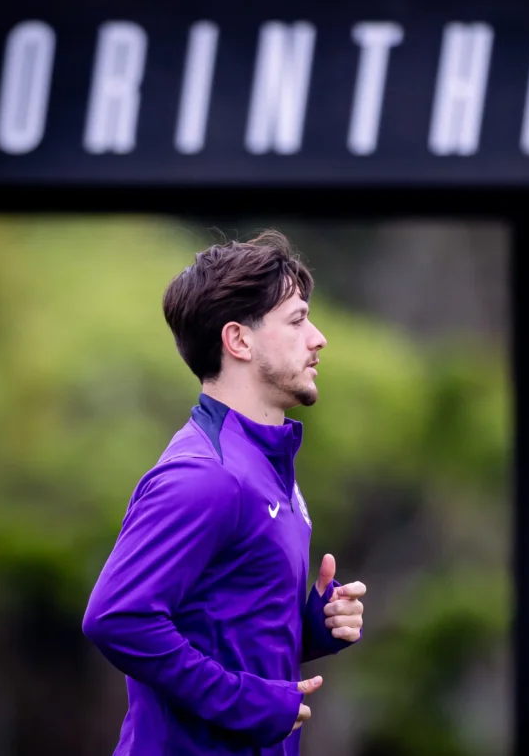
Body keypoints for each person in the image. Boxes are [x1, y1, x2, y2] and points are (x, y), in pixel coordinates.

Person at [82, 230, 366, 756]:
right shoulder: (206, 475)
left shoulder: (266, 466)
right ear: (238, 341)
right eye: (298, 320)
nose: (318, 338)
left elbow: (223, 629)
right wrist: (245, 703)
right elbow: (117, 617)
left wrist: (313, 627)